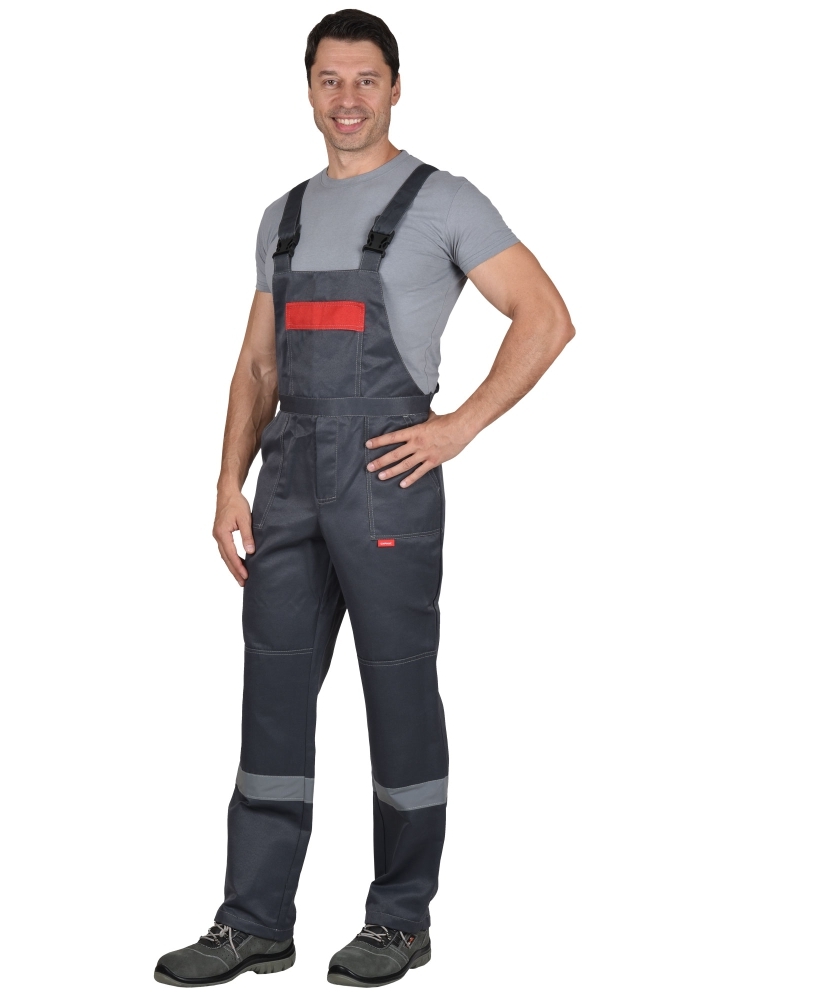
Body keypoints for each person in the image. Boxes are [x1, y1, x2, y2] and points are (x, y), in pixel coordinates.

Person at [154, 8, 574, 990]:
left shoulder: (444, 200)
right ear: (309, 90)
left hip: (387, 477)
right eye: (330, 80)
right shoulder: (284, 215)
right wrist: (227, 480)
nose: (347, 99)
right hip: (288, 478)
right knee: (271, 697)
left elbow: (546, 317)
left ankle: (399, 920)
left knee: (397, 692)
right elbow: (258, 364)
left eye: (365, 80)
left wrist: (457, 426)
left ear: (395, 87)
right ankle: (253, 922)